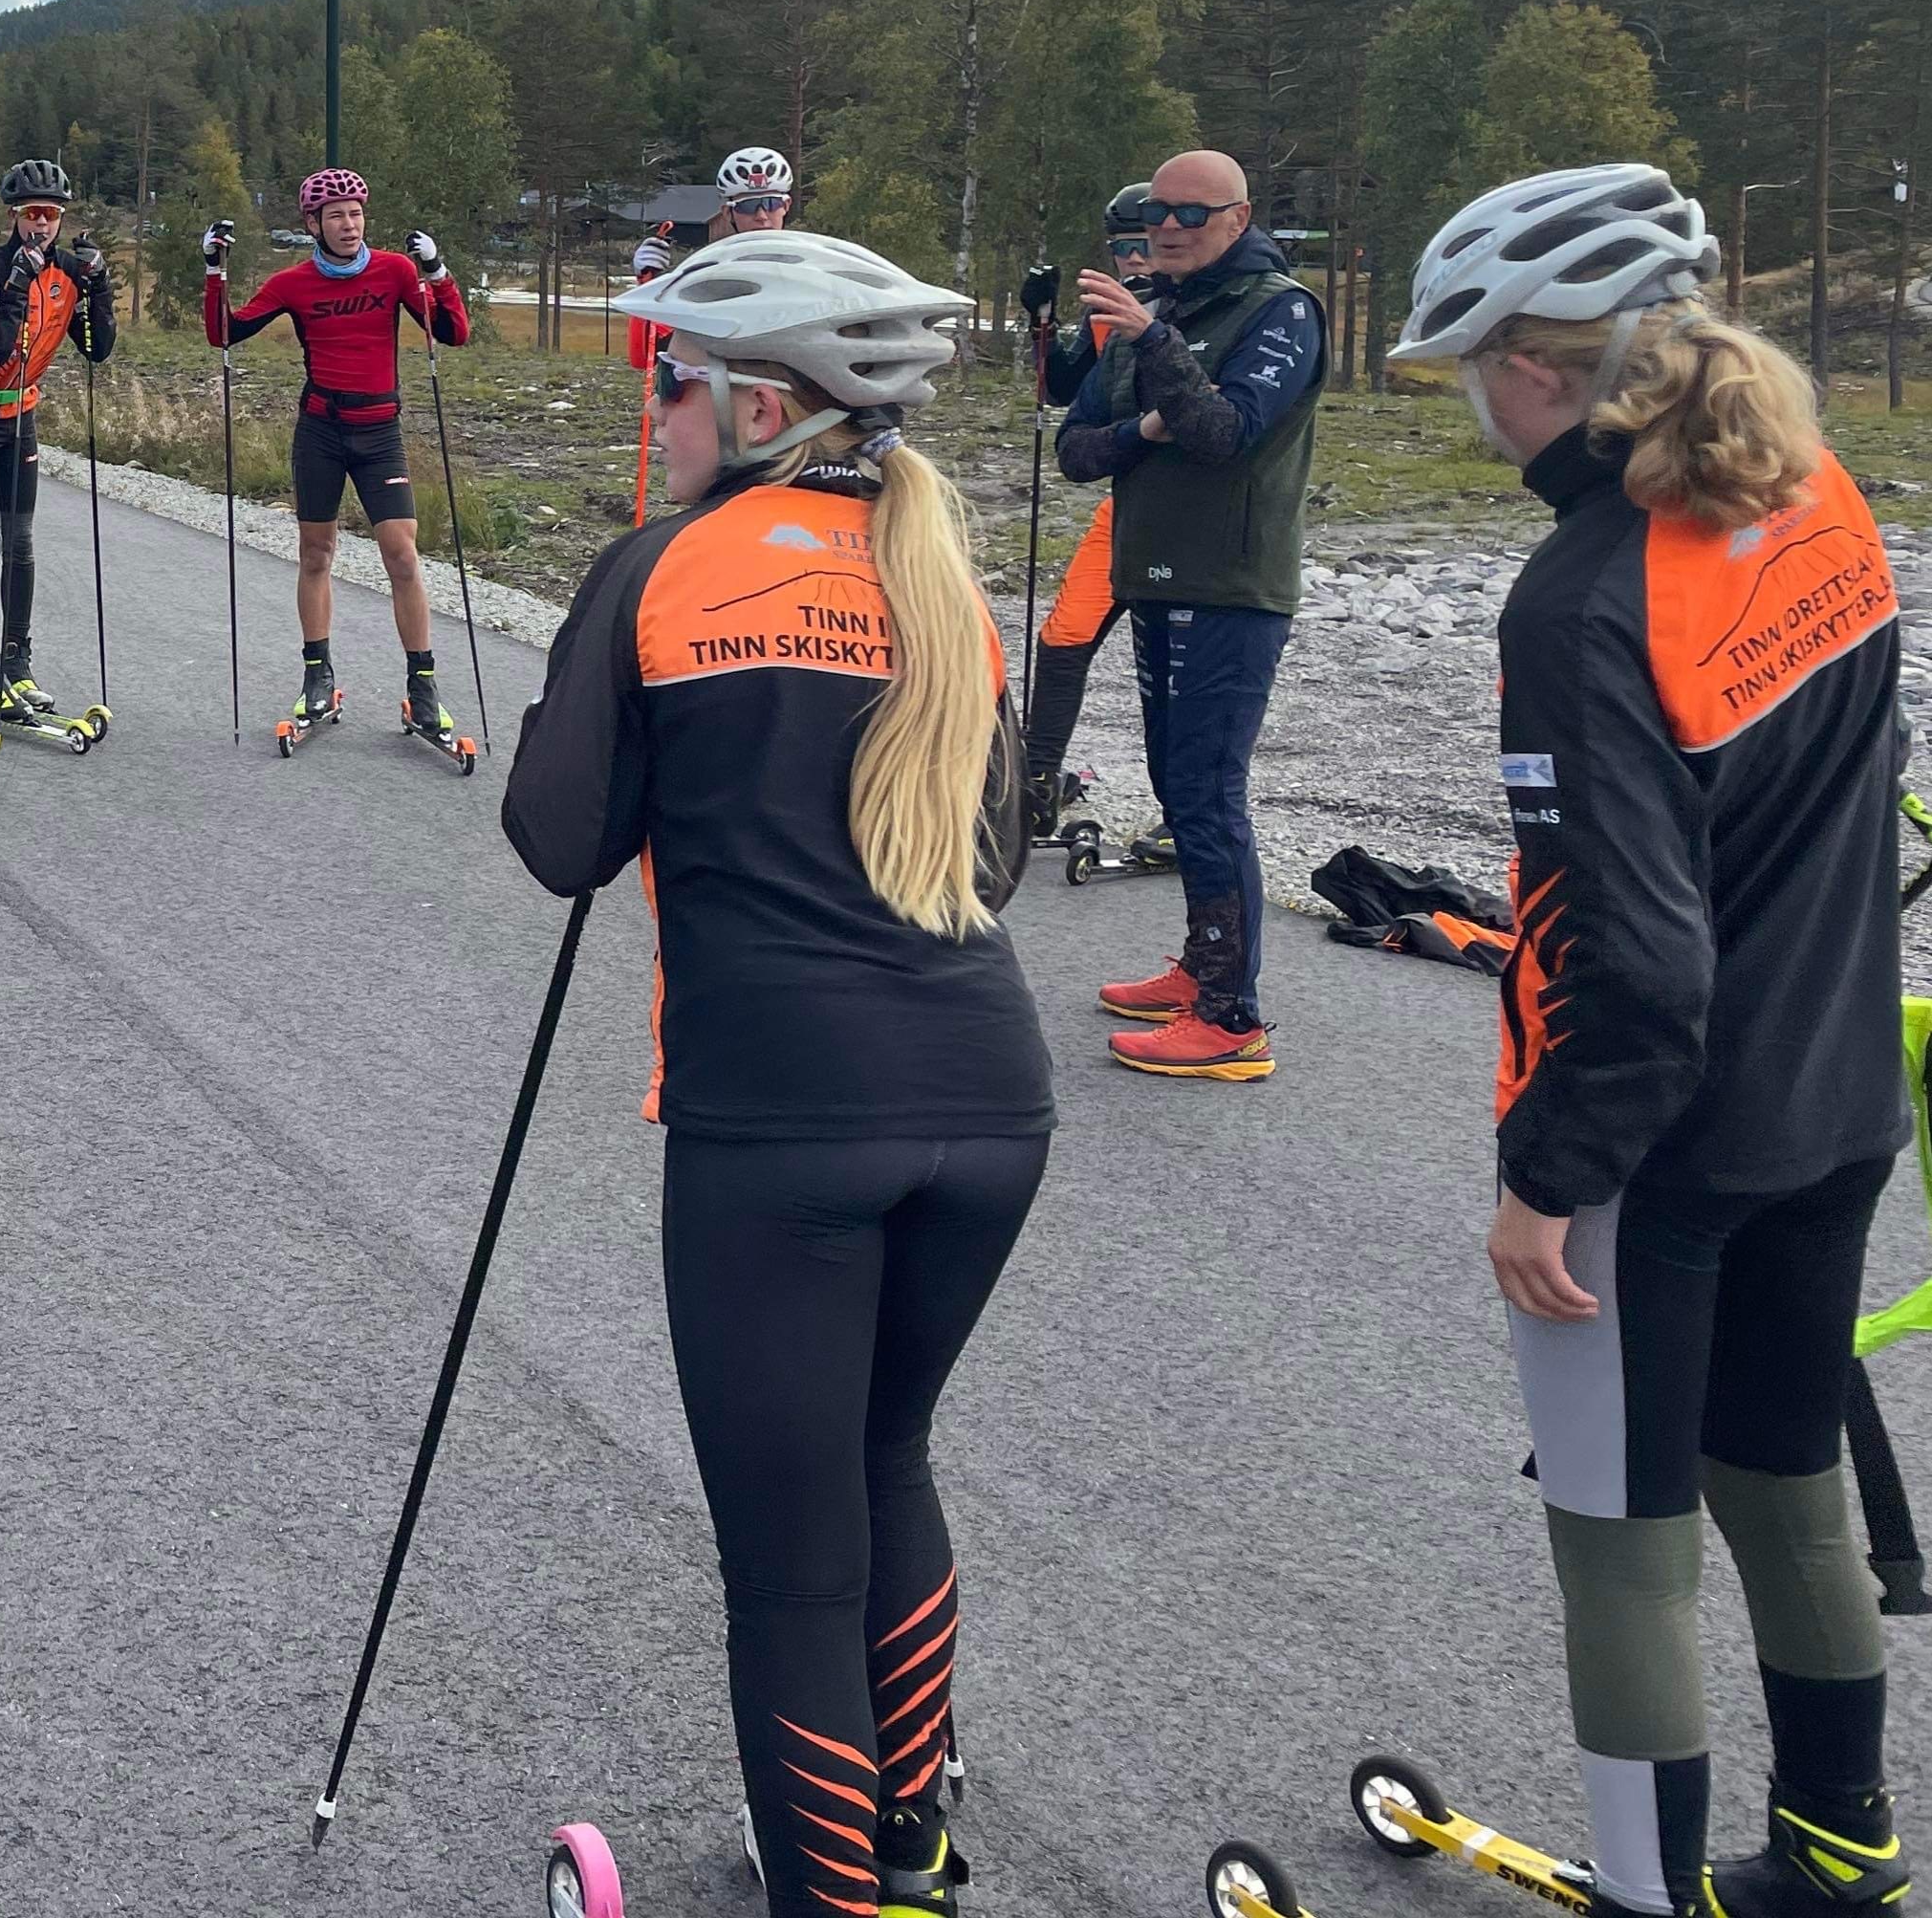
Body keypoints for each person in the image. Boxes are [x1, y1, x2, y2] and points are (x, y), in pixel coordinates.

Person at [508, 229, 1049, 1918]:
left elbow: (559, 836)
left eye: (663, 377)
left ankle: (844, 1896)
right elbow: (999, 855)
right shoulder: (935, 571)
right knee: (886, 1458)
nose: (647, 407)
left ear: (751, 402)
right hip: (986, 1098)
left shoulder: (661, 566)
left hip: (780, 1123)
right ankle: (908, 1854)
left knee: (791, 1565)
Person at [1392, 162, 1907, 1918]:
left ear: (1537, 370)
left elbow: (1638, 961)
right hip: (1835, 1098)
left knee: (1620, 1551)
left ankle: (1640, 1892)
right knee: (1788, 1482)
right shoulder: (1814, 488)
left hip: (1661, 1144)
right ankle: (1842, 1851)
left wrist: (1547, 1177)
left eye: (1467, 364)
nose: (1469, 403)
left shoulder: (1582, 595)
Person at [1056, 148, 1324, 1080]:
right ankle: (1201, 965)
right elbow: (1076, 451)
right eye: (1156, 212)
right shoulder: (1157, 311)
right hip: (1154, 578)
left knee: (1209, 792)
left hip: (1232, 587)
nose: (1167, 227)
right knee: (1177, 785)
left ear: (1238, 220)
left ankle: (1231, 1020)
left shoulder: (1281, 310)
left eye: (1191, 213)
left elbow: (1223, 432)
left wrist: (1156, 354)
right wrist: (1143, 426)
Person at [204, 166, 475, 743]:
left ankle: (423, 688)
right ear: (313, 224)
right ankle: (316, 677)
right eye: (336, 215)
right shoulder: (294, 284)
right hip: (321, 433)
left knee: (402, 556)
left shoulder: (395, 271)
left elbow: (453, 333)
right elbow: (225, 334)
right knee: (315, 555)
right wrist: (214, 271)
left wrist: (437, 272)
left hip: (380, 434)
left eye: (355, 213)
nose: (349, 224)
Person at [0, 157, 117, 730]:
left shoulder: (67, 268)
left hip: (22, 417)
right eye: (30, 214)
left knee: (22, 543)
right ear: (14, 216)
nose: (41, 225)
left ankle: (18, 663)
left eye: (50, 215)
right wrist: (18, 285)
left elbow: (96, 348)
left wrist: (101, 288)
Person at [1009, 182, 1157, 833]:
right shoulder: (1108, 312)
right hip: (1122, 508)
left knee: (1173, 672)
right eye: (1123, 247)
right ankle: (1037, 789)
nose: (1135, 259)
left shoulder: (1201, 310)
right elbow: (1063, 387)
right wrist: (1041, 320)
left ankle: (1190, 814)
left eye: (1145, 245)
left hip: (1191, 523)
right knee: (1064, 638)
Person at [624, 145, 795, 523]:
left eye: (771, 202)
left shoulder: (809, 267)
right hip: (727, 418)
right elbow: (649, 355)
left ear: (787, 204)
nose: (763, 215)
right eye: (750, 206)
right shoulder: (706, 274)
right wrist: (648, 285)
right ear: (729, 212)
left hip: (794, 419)